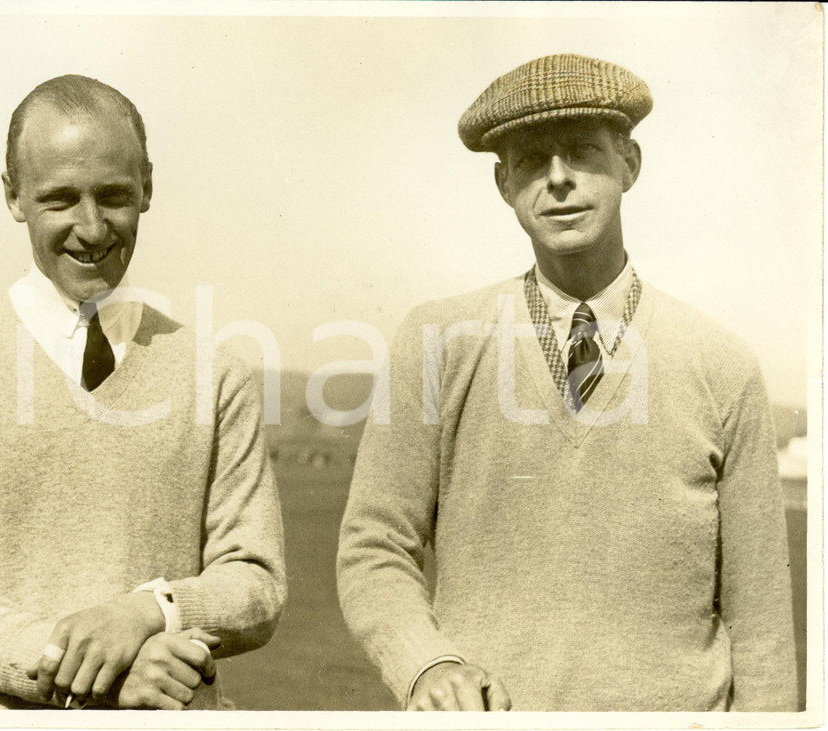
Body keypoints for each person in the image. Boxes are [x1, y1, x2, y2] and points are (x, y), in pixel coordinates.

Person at [336, 54, 797, 712]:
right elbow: (372, 546)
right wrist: (426, 664)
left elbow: (763, 636)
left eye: (581, 152)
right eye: (530, 160)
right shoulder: (438, 341)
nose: (557, 180)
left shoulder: (722, 364)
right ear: (504, 183)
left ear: (629, 164)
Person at [0, 74, 287, 710]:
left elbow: (254, 581)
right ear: (13, 196)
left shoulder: (218, 374)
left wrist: (150, 612)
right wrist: (93, 670)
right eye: (60, 199)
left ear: (148, 187)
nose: (91, 229)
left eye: (114, 195)